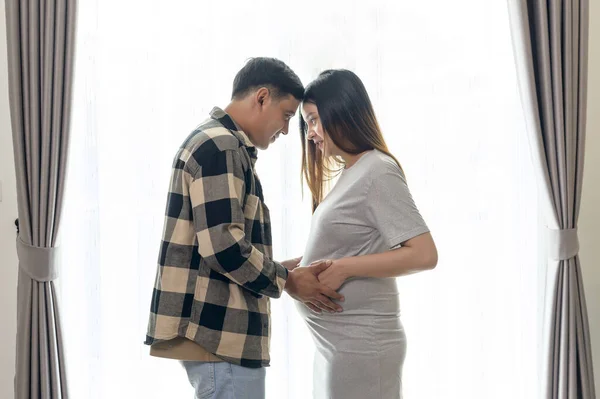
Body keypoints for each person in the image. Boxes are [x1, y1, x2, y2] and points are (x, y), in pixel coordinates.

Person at [144, 57, 344, 399]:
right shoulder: (219, 146)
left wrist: (280, 269)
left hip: (220, 334)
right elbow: (223, 246)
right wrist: (287, 281)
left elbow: (221, 242)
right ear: (262, 98)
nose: (285, 130)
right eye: (286, 115)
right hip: (218, 335)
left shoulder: (221, 144)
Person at [295, 69, 438, 399]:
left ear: (341, 113)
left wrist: (343, 269)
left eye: (314, 120)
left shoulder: (377, 170)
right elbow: (339, 250)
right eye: (307, 123)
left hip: (361, 346)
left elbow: (424, 254)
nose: (310, 133)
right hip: (339, 347)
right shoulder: (352, 172)